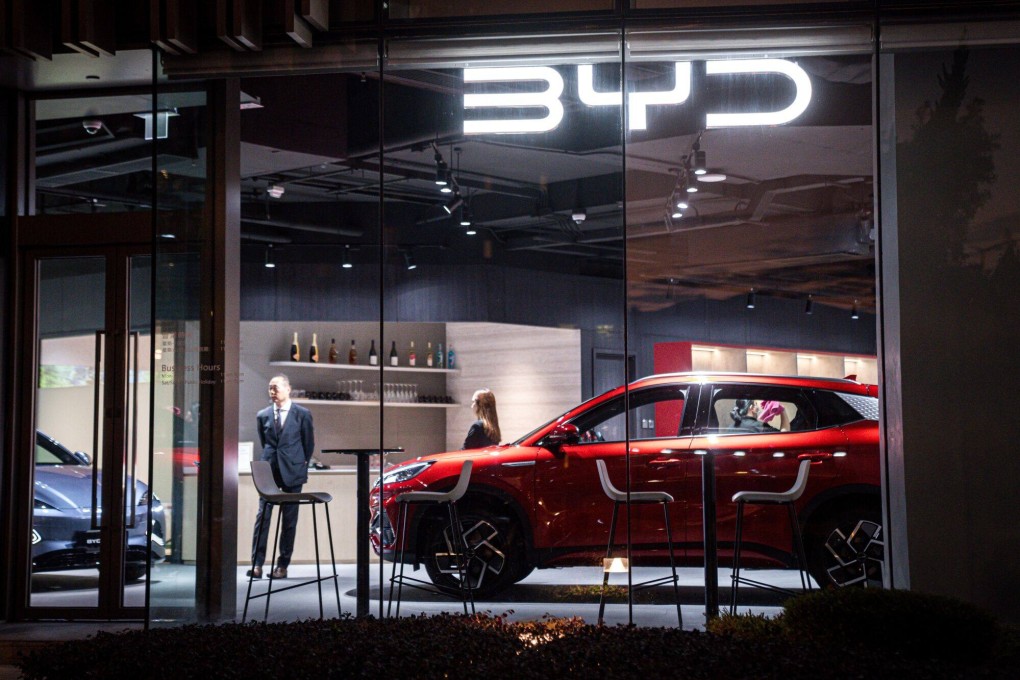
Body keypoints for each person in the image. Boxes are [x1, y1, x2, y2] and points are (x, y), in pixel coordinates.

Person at [248, 374, 315, 580]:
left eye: (275, 388)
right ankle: (257, 564)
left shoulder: (302, 414)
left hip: (293, 471)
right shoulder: (263, 415)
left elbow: (308, 444)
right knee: (263, 517)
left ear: (288, 389)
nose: (272, 392)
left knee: (289, 520)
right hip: (269, 472)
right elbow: (265, 441)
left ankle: (282, 565)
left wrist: (299, 464)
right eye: (270, 388)